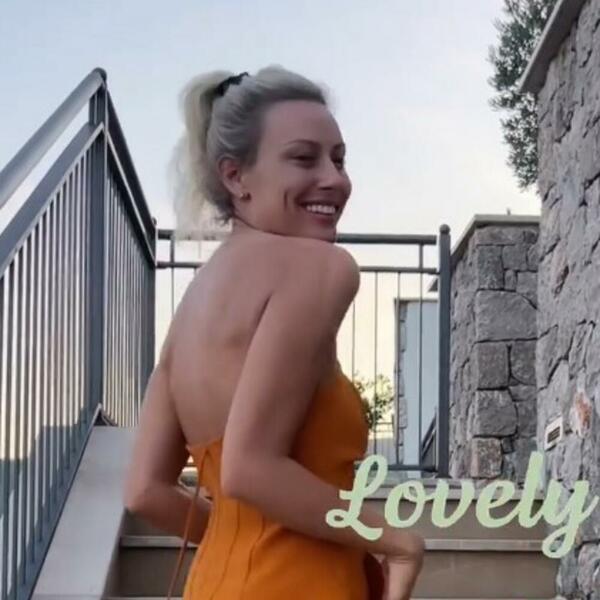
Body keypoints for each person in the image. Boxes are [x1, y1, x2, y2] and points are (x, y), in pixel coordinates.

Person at [123, 65, 425, 600]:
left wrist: (239, 537)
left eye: (338, 159)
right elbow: (250, 467)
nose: (335, 179)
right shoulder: (320, 268)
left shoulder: (193, 306)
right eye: (304, 158)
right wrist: (394, 541)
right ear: (235, 176)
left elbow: (145, 491)